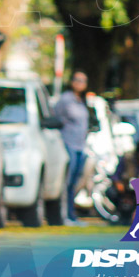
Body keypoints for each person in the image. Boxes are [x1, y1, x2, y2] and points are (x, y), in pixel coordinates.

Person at [55, 70, 90, 225]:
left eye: (83, 81)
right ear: (72, 82)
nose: (80, 83)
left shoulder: (81, 100)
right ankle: (64, 215)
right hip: (68, 144)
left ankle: (71, 214)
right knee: (67, 181)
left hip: (80, 146)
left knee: (75, 182)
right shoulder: (65, 100)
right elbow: (56, 118)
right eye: (77, 80)